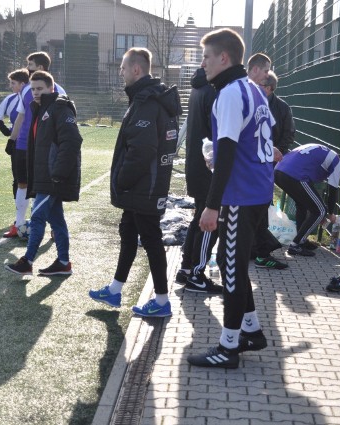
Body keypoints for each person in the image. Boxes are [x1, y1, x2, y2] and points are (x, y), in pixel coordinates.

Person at [186, 28, 275, 369]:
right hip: (255, 190)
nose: (203, 63)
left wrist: (211, 204)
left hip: (242, 193)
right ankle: (251, 330)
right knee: (228, 262)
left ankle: (228, 347)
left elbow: (226, 153)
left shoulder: (231, 92)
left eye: (206, 56)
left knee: (232, 269)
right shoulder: (252, 89)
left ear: (224, 58)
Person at [88, 48, 181, 317]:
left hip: (145, 186)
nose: (121, 72)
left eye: (123, 68)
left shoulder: (148, 103)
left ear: (136, 70)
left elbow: (142, 150)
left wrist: (121, 179)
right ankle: (115, 289)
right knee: (128, 232)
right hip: (144, 186)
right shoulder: (147, 99)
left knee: (151, 239)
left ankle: (162, 302)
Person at [4, 71, 82, 276]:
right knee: (57, 221)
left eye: (40, 89)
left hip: (51, 177)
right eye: (33, 89)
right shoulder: (39, 109)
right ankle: (63, 262)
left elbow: (73, 141)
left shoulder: (60, 108)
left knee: (37, 217)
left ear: (51, 88)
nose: (36, 93)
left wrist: (58, 172)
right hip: (43, 175)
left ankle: (27, 261)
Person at [5, 52, 66, 238]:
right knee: (22, 184)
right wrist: (12, 139)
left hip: (46, 149)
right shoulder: (26, 90)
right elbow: (21, 116)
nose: (27, 67)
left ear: (39, 67)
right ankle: (19, 223)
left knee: (48, 187)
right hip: (24, 146)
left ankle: (55, 227)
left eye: (30, 64)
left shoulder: (59, 91)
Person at [175, 67, 222, 293]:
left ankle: (186, 268)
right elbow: (216, 134)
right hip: (206, 166)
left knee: (199, 217)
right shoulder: (211, 92)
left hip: (196, 164)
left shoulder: (198, 89)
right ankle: (196, 273)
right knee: (209, 220)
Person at [246, 57, 289, 270]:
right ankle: (257, 250)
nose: (257, 86)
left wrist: (274, 152)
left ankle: (259, 250)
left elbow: (286, 134)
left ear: (269, 88)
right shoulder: (252, 102)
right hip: (252, 167)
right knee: (255, 210)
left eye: (262, 84)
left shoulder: (280, 108)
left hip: (267, 166)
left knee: (262, 207)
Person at [274, 143, 340, 257]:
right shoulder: (338, 163)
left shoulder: (323, 152)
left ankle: (301, 240)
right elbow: (333, 191)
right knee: (320, 210)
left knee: (302, 204)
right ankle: (296, 245)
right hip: (295, 175)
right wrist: (330, 213)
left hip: (278, 171)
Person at [0, 68, 29, 222]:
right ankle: (18, 215)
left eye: (13, 83)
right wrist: (8, 133)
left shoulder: (32, 96)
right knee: (18, 179)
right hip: (17, 144)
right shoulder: (11, 99)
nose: (11, 86)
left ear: (22, 83)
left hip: (32, 144)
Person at [260, 70, 295, 155]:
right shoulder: (251, 102)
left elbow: (289, 134)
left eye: (259, 85)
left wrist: (273, 152)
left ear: (267, 88)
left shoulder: (283, 108)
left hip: (274, 160)